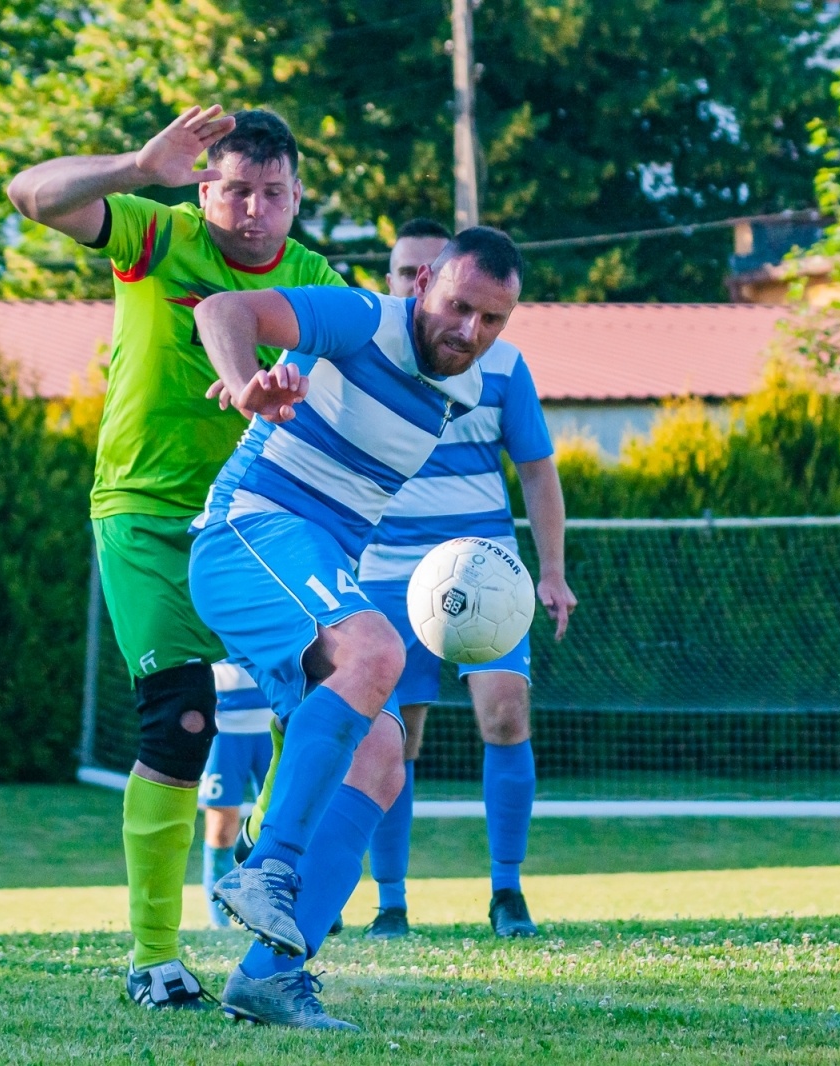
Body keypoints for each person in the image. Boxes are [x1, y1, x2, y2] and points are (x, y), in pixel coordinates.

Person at [6, 105, 345, 1010]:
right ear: (205, 188)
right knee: (181, 720)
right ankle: (154, 958)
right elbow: (29, 194)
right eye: (235, 189)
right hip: (145, 514)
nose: (253, 210)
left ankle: (264, 865)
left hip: (253, 524)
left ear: (297, 197)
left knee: (327, 696)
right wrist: (134, 165)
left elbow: (380, 361)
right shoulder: (157, 234)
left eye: (274, 194)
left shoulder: (314, 281)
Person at [188, 227, 526, 1029]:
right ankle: (265, 866)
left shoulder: (468, 389)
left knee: (379, 761)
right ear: (422, 289)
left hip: (305, 559)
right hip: (247, 532)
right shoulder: (361, 319)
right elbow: (224, 309)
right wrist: (243, 385)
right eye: (458, 307)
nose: (470, 332)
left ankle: (272, 973)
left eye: (493, 322)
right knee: (378, 649)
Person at [358, 218, 575, 940]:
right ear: (401, 282)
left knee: (507, 713)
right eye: (402, 271)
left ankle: (507, 892)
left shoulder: (504, 366)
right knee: (394, 740)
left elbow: (538, 472)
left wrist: (551, 571)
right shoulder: (362, 355)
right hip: (386, 575)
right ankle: (391, 902)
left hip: (485, 572)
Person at [200, 664, 274, 929]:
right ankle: (220, 923)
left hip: (272, 721)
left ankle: (276, 914)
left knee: (279, 821)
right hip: (225, 729)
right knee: (221, 829)